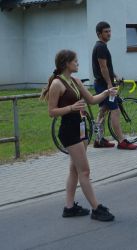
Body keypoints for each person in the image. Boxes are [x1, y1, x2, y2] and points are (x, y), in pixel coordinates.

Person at [40, 49, 116, 222]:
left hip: (80, 128)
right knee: (85, 171)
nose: (78, 63)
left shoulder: (74, 80)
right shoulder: (57, 84)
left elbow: (91, 99)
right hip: (69, 130)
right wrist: (70, 108)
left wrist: (107, 92)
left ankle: (69, 207)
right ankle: (96, 208)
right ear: (66, 63)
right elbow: (51, 112)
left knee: (74, 169)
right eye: (75, 61)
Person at [92, 21, 137, 150]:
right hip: (104, 85)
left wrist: (115, 75)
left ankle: (98, 140)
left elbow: (106, 67)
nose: (109, 34)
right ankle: (122, 141)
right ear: (99, 34)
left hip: (102, 84)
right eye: (106, 32)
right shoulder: (101, 47)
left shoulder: (101, 46)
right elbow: (103, 67)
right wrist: (109, 84)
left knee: (103, 110)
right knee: (115, 110)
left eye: (109, 31)